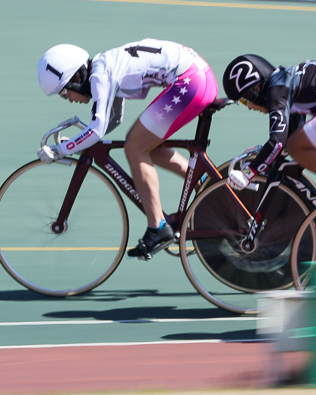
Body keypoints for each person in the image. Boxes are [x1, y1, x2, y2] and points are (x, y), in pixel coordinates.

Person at [37, 40, 218, 260]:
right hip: (197, 77)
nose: (69, 100)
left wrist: (60, 150)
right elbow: (113, 120)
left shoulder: (99, 77)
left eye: (64, 94)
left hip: (189, 82)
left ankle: (157, 227)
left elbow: (97, 130)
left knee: (135, 147)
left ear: (76, 78)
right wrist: (77, 142)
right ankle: (209, 187)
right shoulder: (104, 66)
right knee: (146, 145)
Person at [219, 54, 316, 193]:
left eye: (244, 100)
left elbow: (277, 143)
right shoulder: (287, 83)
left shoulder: (277, 90)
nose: (249, 107)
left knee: (297, 146)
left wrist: (248, 173)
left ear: (256, 88)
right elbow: (283, 144)